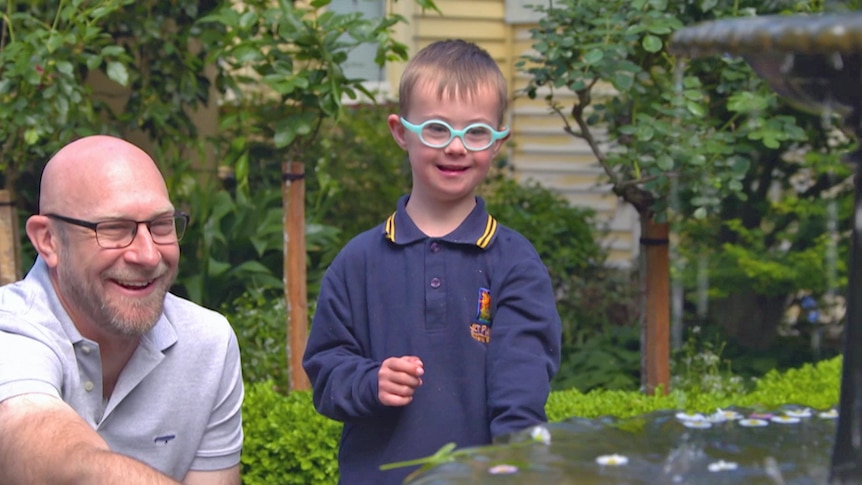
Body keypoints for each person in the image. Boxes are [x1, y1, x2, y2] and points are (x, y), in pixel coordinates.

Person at [302, 39, 562, 484]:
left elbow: (520, 393)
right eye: (437, 129)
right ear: (401, 131)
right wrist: (371, 382)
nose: (457, 147)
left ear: (498, 141)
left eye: (476, 132)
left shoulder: (515, 262)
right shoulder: (357, 262)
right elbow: (325, 375)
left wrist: (519, 471)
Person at [0, 135, 244, 484]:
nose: (148, 255)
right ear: (48, 240)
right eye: (114, 229)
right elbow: (43, 449)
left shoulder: (207, 343)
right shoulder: (11, 330)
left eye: (161, 225)